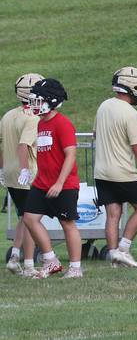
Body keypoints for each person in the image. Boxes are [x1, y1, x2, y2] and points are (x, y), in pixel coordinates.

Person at [94, 67, 137, 268]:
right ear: (134, 87)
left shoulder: (103, 106)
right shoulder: (131, 114)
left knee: (113, 214)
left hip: (101, 171)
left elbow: (96, 134)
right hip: (123, 171)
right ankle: (123, 249)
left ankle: (114, 257)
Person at [22, 79, 83, 278]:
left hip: (63, 184)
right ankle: (51, 260)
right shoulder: (41, 123)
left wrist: (59, 182)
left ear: (52, 100)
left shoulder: (63, 124)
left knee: (67, 224)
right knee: (29, 218)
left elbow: (70, 155)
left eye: (38, 100)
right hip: (42, 182)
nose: (34, 105)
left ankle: (75, 268)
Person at [1, 73, 43, 276]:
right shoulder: (33, 117)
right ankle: (29, 265)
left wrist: (2, 169)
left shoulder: (8, 115)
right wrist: (26, 169)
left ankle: (15, 257)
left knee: (24, 218)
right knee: (32, 220)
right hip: (27, 174)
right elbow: (23, 146)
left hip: (10, 174)